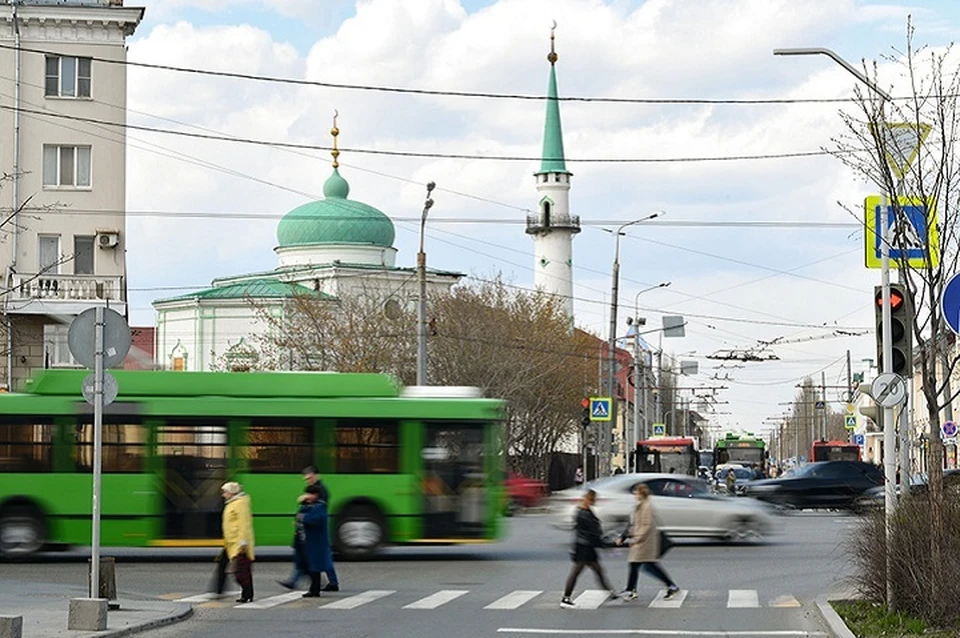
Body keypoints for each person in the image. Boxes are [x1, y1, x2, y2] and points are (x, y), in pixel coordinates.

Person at [616, 484, 679, 601]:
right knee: (637, 564)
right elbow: (634, 524)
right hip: (643, 541)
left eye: (636, 493)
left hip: (645, 542)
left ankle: (671, 585)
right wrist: (624, 536)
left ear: (641, 493)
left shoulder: (646, 506)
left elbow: (646, 525)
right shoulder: (640, 505)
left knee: (648, 565)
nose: (634, 495)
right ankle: (631, 590)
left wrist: (637, 539)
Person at [560, 489, 616, 609]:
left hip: (585, 546)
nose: (595, 502)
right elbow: (593, 532)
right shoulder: (585, 513)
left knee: (598, 570)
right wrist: (605, 544)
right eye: (594, 499)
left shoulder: (583, 510)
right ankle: (566, 598)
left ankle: (611, 594)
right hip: (585, 547)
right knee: (576, 573)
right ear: (590, 499)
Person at [299, 484, 340, 597]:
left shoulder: (320, 507)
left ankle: (315, 589)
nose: (307, 496)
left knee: (315, 566)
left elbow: (312, 519)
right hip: (310, 541)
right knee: (312, 566)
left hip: (317, 542)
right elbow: (300, 514)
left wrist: (303, 518)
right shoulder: (310, 506)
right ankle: (315, 589)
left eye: (309, 494)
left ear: (315, 495)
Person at [221, 482, 255, 603]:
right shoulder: (233, 503)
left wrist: (243, 542)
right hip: (231, 543)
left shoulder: (240, 503)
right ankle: (247, 594)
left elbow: (243, 523)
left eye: (225, 492)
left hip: (238, 544)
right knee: (241, 570)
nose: (224, 494)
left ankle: (247, 594)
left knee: (241, 572)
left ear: (232, 492)